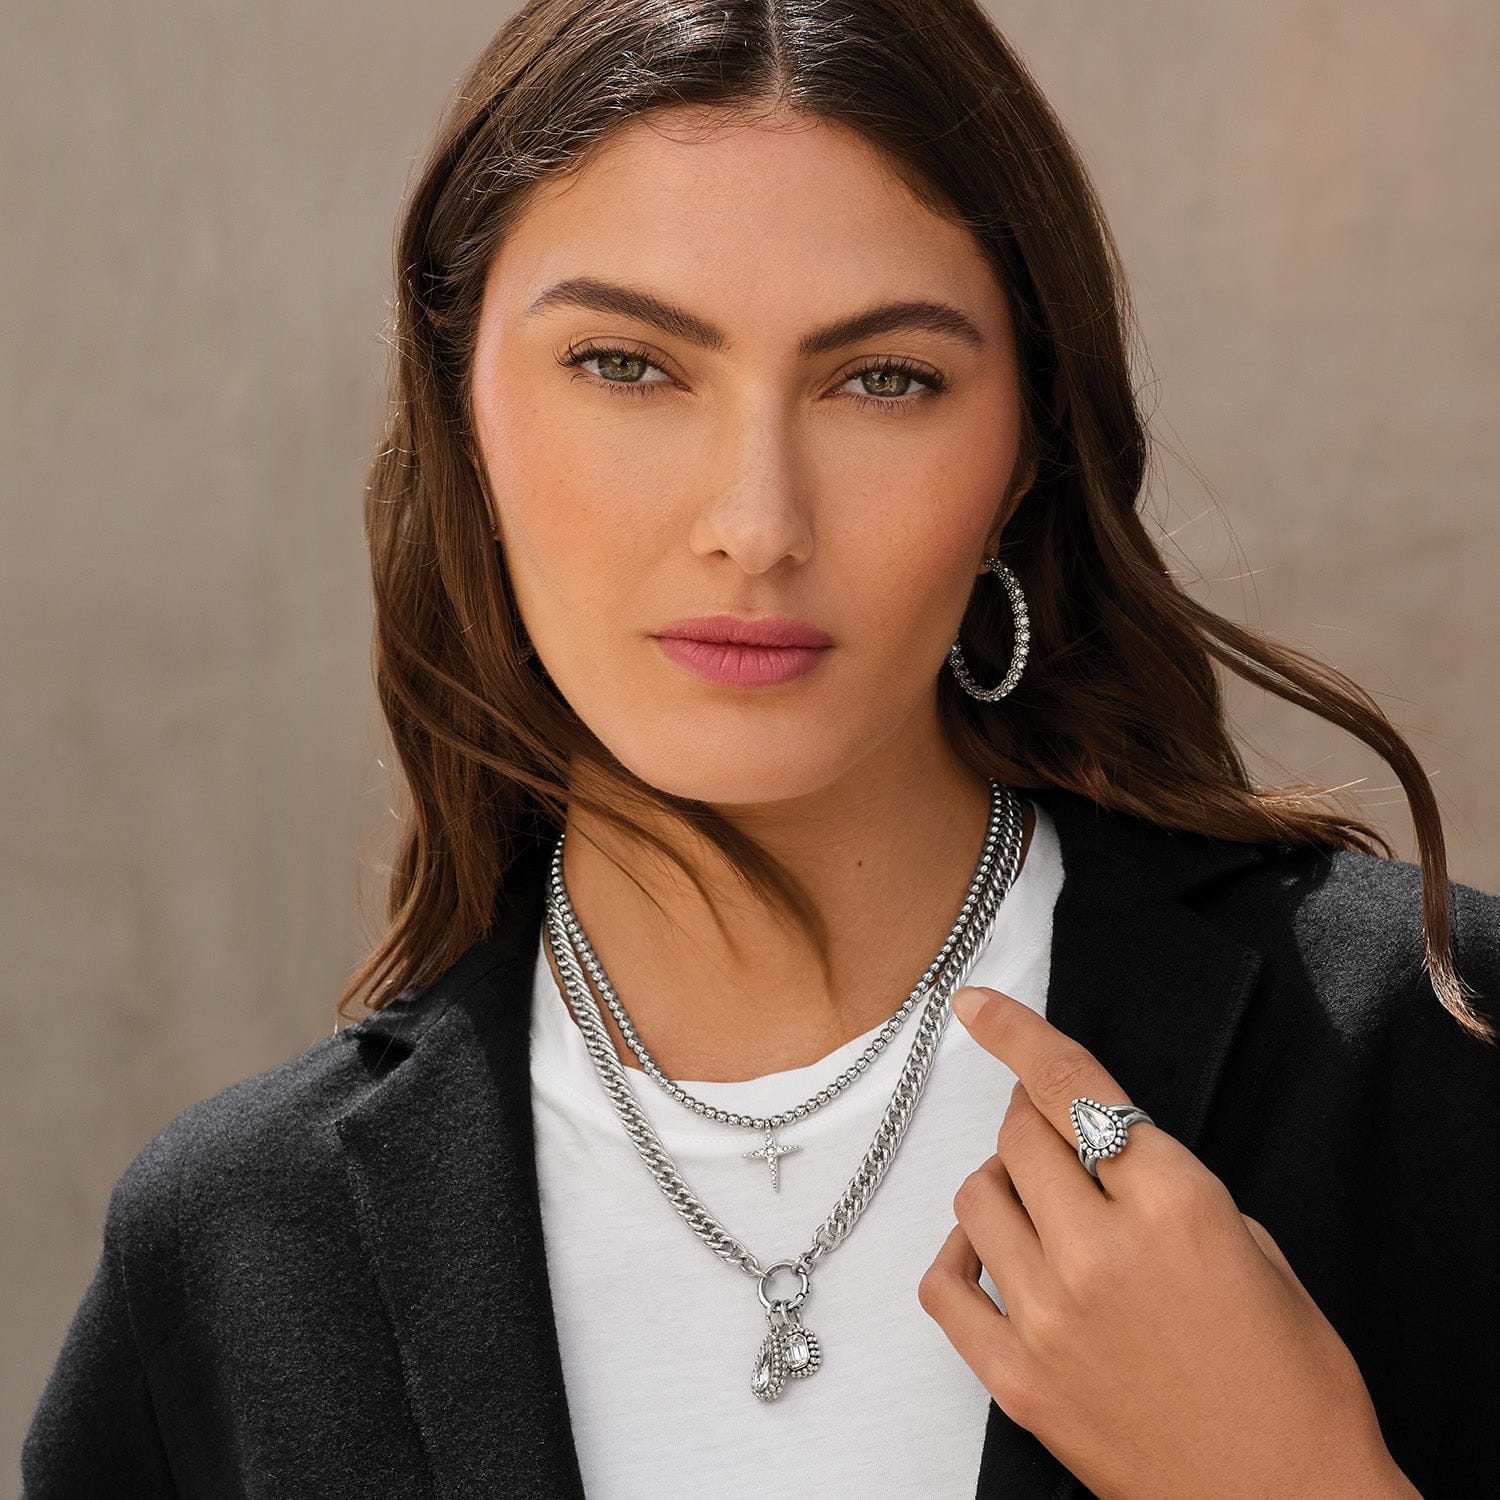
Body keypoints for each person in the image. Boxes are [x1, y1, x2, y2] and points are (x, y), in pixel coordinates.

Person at [22, 2, 1498, 1496]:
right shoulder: (236, 1256)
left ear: (1028, 447)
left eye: (884, 380)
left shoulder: (1431, 1060)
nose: (756, 523)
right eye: (627, 365)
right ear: (461, 403)